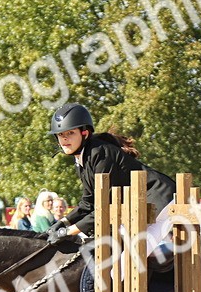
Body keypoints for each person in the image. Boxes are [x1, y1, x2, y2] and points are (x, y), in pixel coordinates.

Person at [47, 103, 177, 240]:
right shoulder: (82, 160)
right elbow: (88, 203)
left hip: (160, 198)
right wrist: (63, 222)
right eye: (60, 135)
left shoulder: (101, 154)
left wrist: (68, 231)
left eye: (70, 133)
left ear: (84, 133)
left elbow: (106, 207)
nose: (64, 139)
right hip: (142, 205)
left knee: (130, 251)